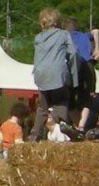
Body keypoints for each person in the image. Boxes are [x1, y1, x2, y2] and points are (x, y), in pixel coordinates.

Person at [30, 8, 77, 143]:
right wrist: (72, 74)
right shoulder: (63, 34)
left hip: (40, 75)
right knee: (61, 102)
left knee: (42, 107)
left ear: (42, 23)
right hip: (58, 74)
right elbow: (72, 53)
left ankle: (34, 136)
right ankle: (62, 128)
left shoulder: (38, 38)